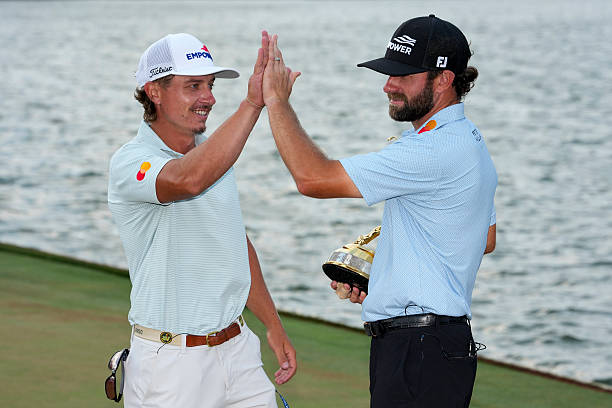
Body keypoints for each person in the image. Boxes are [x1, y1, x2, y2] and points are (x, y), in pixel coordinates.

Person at [262, 15, 496, 407]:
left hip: (417, 348)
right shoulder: (469, 140)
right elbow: (482, 240)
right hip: (437, 346)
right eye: (389, 73)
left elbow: (312, 179)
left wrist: (276, 101)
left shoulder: (431, 149)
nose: (388, 85)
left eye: (404, 75)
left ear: (444, 79)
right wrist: (387, 278)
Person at [107, 32, 296, 408]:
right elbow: (186, 180)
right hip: (170, 363)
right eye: (193, 86)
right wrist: (253, 103)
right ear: (154, 92)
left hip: (238, 350)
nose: (208, 97)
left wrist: (272, 325)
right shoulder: (130, 162)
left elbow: (233, 243)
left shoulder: (214, 155)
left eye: (209, 85)